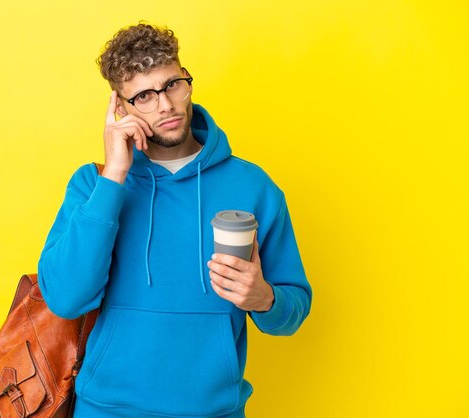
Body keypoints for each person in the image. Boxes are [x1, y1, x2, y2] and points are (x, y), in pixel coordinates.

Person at [37, 22, 312, 418]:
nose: (164, 106)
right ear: (120, 107)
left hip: (213, 412)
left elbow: (293, 310)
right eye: (144, 96)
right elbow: (66, 298)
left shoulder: (253, 187)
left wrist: (265, 298)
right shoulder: (93, 185)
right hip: (105, 411)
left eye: (171, 85)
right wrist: (115, 176)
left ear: (187, 83)